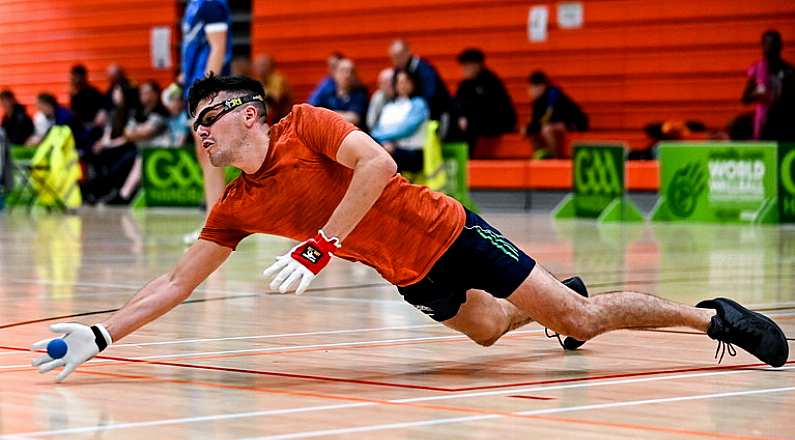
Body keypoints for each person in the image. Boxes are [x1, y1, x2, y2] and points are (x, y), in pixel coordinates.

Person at [30, 75, 790, 384]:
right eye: (192, 123)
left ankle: (712, 316)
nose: (197, 131)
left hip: (447, 230)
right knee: (491, 330)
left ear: (249, 114)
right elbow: (174, 280)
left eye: (207, 118)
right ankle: (547, 300)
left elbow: (377, 166)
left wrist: (323, 243)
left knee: (579, 320)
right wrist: (100, 335)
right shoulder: (236, 203)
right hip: (408, 274)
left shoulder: (309, 126)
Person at [181, 0, 233, 233]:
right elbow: (193, 49)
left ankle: (217, 222)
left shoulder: (211, 3)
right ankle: (214, 220)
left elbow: (218, 48)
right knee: (204, 152)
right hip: (194, 86)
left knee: (210, 150)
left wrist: (206, 93)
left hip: (209, 91)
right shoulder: (193, 5)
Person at [454, 48, 517, 158]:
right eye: (463, 66)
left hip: (498, 121)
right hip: (477, 123)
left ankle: (468, 158)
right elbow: (457, 104)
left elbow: (493, 109)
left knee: (471, 125)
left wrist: (467, 118)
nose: (463, 69)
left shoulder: (491, 82)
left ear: (477, 65)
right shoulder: (464, 85)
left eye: (466, 66)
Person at [371, 69, 429, 174]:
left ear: (413, 83)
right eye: (399, 82)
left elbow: (405, 130)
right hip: (390, 149)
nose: (403, 85)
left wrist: (380, 138)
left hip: (413, 153)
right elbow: (378, 128)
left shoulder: (418, 104)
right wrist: (384, 143)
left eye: (406, 81)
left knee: (380, 155)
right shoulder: (389, 107)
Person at [742, 30, 795, 141]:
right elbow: (744, 99)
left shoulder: (789, 71)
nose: (769, 50)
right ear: (762, 47)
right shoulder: (757, 70)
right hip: (763, 124)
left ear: (780, 47)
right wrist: (756, 94)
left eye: (773, 46)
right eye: (767, 46)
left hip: (784, 123)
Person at [524, 71, 588, 159]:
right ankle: (540, 154)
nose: (530, 91)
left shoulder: (553, 95)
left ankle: (556, 158)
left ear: (541, 87)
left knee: (547, 129)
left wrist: (533, 126)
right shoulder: (537, 101)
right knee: (531, 130)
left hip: (574, 122)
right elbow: (536, 121)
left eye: (532, 87)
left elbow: (549, 117)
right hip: (557, 122)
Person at [388, 39, 451, 122]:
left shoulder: (423, 68)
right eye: (394, 58)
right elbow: (395, 93)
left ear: (408, 52)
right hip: (412, 112)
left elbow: (430, 94)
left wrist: (419, 113)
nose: (397, 61)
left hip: (435, 112)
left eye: (399, 56)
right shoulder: (398, 70)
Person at [311, 58, 368, 127]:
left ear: (355, 76)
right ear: (335, 74)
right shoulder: (326, 89)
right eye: (343, 71)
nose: (347, 75)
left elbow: (354, 119)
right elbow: (313, 110)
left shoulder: (360, 92)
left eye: (351, 72)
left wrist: (325, 115)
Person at [253, 54, 294, 123]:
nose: (260, 68)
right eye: (257, 65)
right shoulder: (258, 81)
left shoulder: (278, 79)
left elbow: (274, 100)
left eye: (263, 65)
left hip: (281, 117)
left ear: (271, 66)